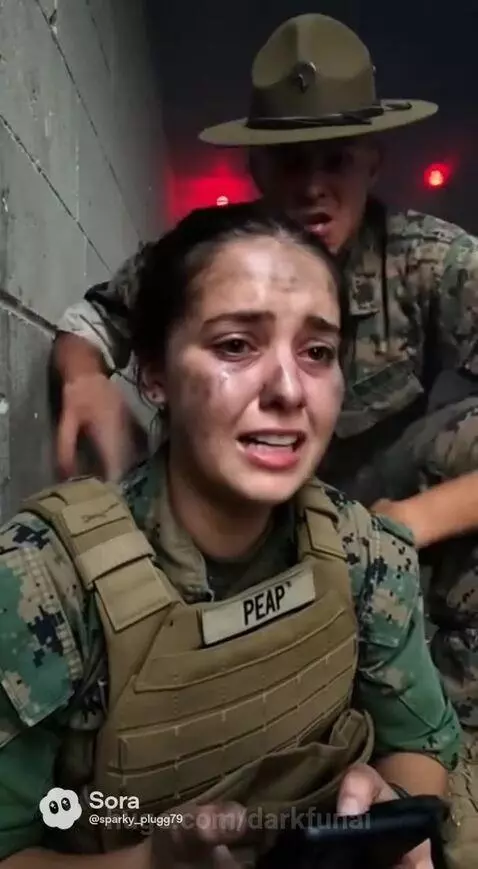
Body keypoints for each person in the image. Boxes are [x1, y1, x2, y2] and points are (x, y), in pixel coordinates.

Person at [0, 203, 464, 868]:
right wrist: (151, 861)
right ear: (154, 373)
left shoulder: (361, 551)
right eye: (235, 345)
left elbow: (422, 746)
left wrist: (394, 805)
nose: (287, 388)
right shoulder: (43, 585)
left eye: (317, 352)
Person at [51, 13, 478, 732]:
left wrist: (409, 522)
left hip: (371, 518)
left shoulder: (429, 262)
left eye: (335, 160)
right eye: (292, 163)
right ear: (256, 168)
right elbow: (92, 323)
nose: (313, 188)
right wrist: (86, 378)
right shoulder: (212, 257)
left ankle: (446, 721)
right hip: (228, 524)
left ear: (372, 160)